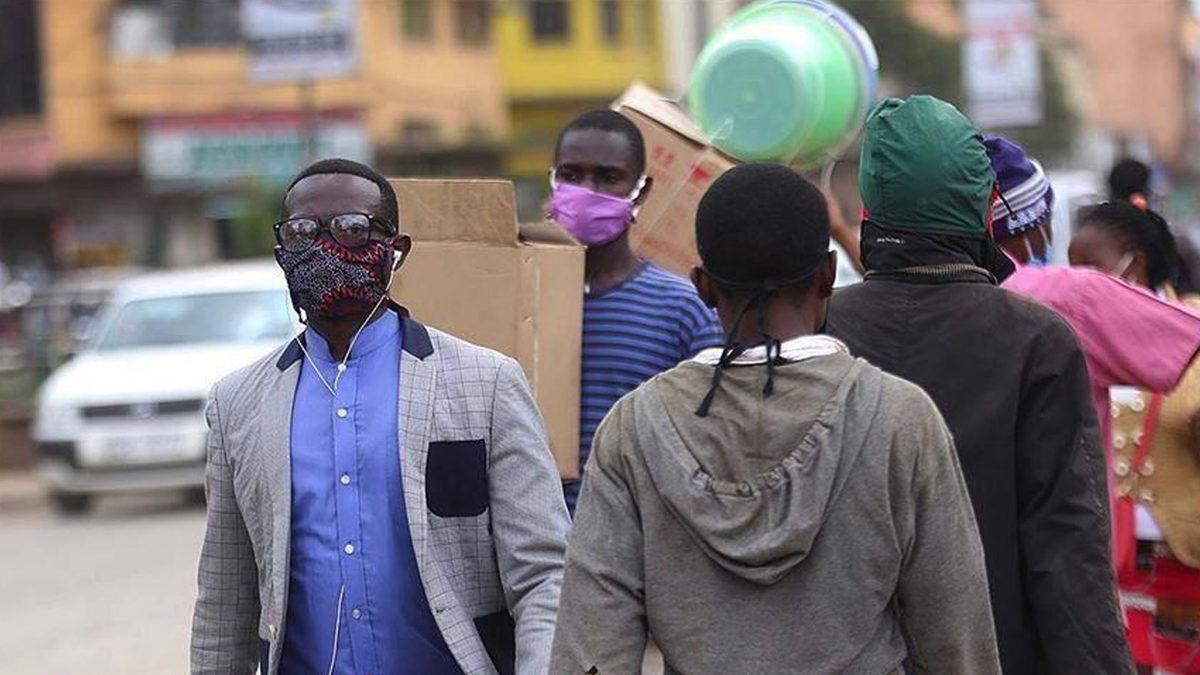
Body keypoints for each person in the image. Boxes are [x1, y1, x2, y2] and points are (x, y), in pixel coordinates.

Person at [551, 163, 1001, 674]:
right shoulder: (900, 418)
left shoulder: (634, 427)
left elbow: (591, 647)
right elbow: (957, 640)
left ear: (702, 286)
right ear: (828, 274)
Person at [190, 159, 571, 674]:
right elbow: (225, 600)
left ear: (397, 251)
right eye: (303, 231)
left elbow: (544, 573)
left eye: (352, 228)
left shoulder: (487, 383)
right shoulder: (238, 402)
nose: (326, 246)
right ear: (282, 254)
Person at [826, 96, 1133, 674]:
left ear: (869, 209)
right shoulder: (1036, 341)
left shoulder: (818, 330)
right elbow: (1068, 551)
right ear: (986, 204)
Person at [547, 109, 722, 513]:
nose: (587, 191)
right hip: (533, 542)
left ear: (641, 191)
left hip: (636, 538)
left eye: (608, 178)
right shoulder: (518, 296)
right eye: (571, 175)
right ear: (552, 180)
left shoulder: (684, 311)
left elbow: (710, 444)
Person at [1070, 202, 1200, 674]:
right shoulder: (1069, 335)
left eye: (1089, 266)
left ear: (1135, 264)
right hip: (1109, 565)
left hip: (1185, 563)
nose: (1075, 280)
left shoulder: (1192, 325)